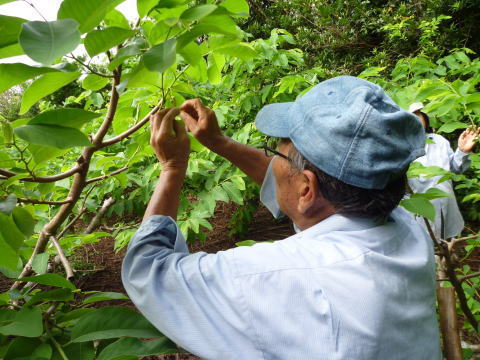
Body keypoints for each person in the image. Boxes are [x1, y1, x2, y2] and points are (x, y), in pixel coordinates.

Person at [122, 76, 441, 359]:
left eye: (276, 151)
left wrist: (172, 168)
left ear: (306, 189)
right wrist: (219, 143)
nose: (272, 159)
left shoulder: (277, 278)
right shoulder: (406, 231)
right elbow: (301, 186)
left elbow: (148, 270)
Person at [408, 102, 478, 239]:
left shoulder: (439, 141)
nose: (417, 119)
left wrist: (462, 151)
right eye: (412, 115)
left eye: (419, 114)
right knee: (423, 244)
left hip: (446, 205)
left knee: (444, 241)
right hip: (418, 212)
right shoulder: (400, 148)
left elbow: (454, 169)